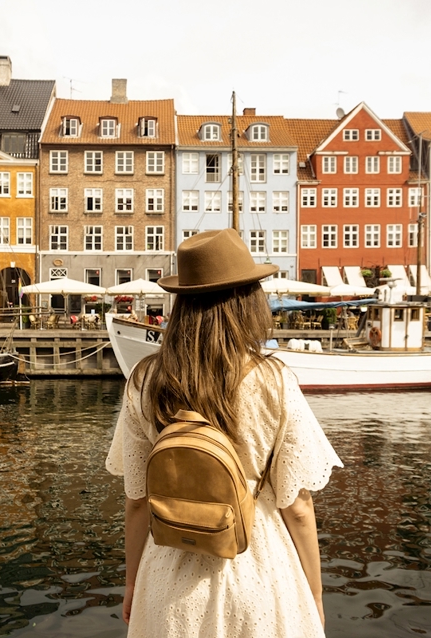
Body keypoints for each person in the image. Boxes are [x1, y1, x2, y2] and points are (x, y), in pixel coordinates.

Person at [106, 228, 342, 637]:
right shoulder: (273, 380)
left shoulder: (144, 381)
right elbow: (298, 505)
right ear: (246, 301)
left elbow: (137, 503)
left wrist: (130, 585)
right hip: (257, 568)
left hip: (168, 575)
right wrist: (316, 595)